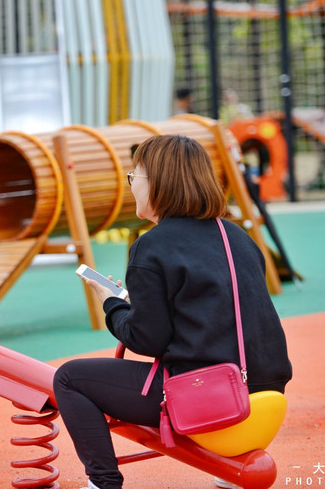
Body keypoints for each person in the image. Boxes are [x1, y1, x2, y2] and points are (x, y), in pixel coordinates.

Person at [53, 135, 292, 489]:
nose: (132, 187)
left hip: (210, 398)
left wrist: (112, 302)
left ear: (159, 183)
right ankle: (228, 469)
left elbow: (146, 339)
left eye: (134, 177)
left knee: (69, 378)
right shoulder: (235, 235)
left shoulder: (151, 245)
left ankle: (103, 482)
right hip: (265, 393)